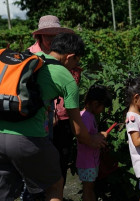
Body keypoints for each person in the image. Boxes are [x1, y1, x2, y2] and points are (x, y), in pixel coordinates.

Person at [0, 33, 106, 201]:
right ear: (70, 56)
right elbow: (78, 130)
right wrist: (93, 140)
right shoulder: (66, 78)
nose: (75, 66)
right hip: (29, 139)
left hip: (1, 134)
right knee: (55, 185)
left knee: (4, 193)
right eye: (76, 61)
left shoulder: (30, 59)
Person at [28, 14, 83, 188]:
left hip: (65, 116)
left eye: (55, 35)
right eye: (47, 35)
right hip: (38, 119)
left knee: (60, 161)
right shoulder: (30, 56)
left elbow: (71, 81)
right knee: (37, 167)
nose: (51, 39)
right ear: (39, 36)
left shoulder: (66, 53)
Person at [76, 84, 112, 201]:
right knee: (88, 189)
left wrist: (99, 135)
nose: (103, 110)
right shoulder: (86, 117)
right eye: (102, 107)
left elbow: (89, 135)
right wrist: (99, 136)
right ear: (96, 104)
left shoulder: (87, 115)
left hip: (89, 161)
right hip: (87, 162)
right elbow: (83, 138)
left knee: (90, 188)